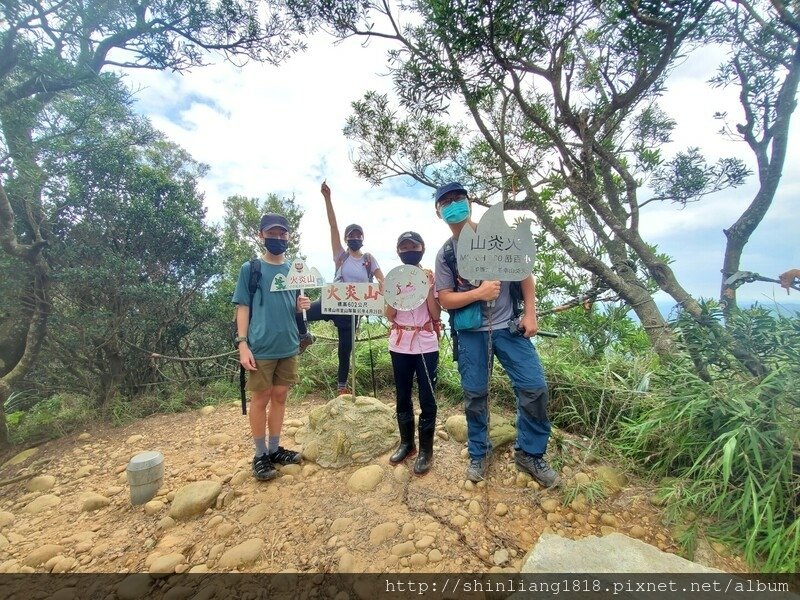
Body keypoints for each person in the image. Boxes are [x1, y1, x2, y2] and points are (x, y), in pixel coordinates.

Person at [433, 182, 559, 487]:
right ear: (438, 212)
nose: (453, 205)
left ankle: (529, 453)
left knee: (534, 387)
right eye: (446, 202)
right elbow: (445, 298)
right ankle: (479, 451)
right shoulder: (447, 254)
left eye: (458, 199)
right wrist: (479, 293)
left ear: (469, 202)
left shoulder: (496, 237)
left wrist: (530, 313)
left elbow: (524, 274)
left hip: (509, 327)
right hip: (471, 332)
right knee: (475, 394)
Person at [233, 213, 311, 481]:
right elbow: (243, 307)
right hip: (261, 346)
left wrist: (302, 307)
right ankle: (260, 454)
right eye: (272, 233)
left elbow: (294, 304)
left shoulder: (294, 271)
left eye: (282, 234)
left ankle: (275, 449)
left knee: (279, 397)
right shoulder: (251, 269)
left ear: (288, 236)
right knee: (260, 399)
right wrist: (242, 344)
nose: (277, 238)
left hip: (288, 345)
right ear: (261, 235)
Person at [298, 182, 384, 395]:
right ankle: (304, 336)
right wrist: (328, 199)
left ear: (362, 238)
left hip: (353, 310)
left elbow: (382, 280)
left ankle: (342, 387)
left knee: (346, 349)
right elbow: (333, 226)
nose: (354, 238)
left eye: (358, 235)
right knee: (300, 312)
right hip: (333, 301)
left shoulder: (368, 259)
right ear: (346, 239)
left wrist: (383, 293)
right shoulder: (341, 256)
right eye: (351, 235)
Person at [384, 231, 441, 475]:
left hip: (426, 343)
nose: (408, 250)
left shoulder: (431, 277)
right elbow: (389, 315)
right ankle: (407, 444)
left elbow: (436, 315)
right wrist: (391, 296)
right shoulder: (395, 278)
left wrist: (428, 287)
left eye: (413, 245)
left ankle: (426, 450)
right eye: (404, 246)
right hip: (399, 343)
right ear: (398, 251)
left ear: (422, 248)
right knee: (402, 395)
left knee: (428, 398)